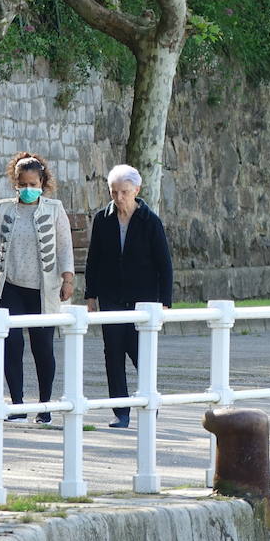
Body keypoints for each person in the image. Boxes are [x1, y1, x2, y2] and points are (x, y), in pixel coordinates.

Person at [0, 152, 76, 423]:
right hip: (10, 285)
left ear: (43, 182)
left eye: (34, 184)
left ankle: (45, 406)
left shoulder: (54, 209)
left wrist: (68, 279)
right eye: (24, 184)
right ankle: (17, 405)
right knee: (11, 344)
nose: (29, 189)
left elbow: (65, 248)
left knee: (42, 347)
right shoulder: (4, 209)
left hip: (43, 289)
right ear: (16, 183)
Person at [85, 164, 174, 428]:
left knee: (140, 353)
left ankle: (149, 403)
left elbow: (164, 264)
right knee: (112, 353)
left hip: (142, 298)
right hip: (111, 296)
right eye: (114, 192)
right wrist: (91, 296)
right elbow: (94, 260)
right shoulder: (103, 219)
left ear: (136, 190)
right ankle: (120, 412)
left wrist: (165, 301)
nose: (119, 197)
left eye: (124, 192)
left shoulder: (150, 221)